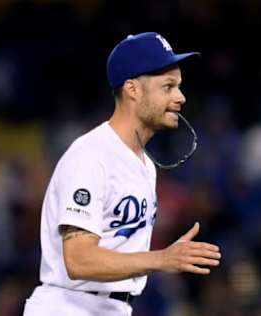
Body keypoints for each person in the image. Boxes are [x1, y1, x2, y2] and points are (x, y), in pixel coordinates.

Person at [22, 32, 221, 316]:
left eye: (179, 86)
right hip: (69, 306)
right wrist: (161, 259)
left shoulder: (145, 165)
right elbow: (78, 260)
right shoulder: (91, 156)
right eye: (168, 87)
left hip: (112, 307)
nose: (180, 97)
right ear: (133, 89)